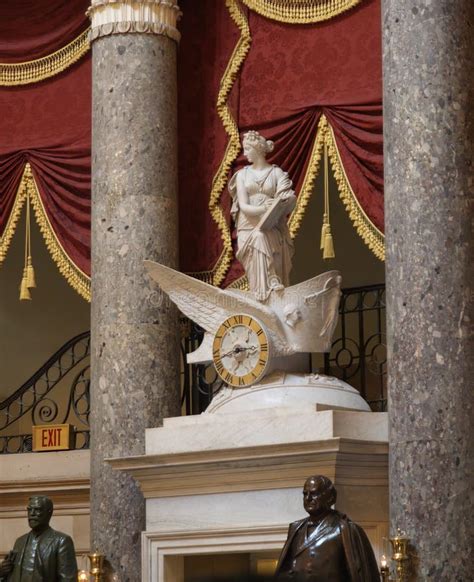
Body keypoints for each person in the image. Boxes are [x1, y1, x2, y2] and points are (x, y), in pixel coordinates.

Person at [229, 131, 296, 301]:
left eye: (247, 149)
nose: (244, 154)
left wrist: (283, 202)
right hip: (248, 227)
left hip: (271, 225)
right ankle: (263, 288)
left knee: (262, 236)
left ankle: (272, 283)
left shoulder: (276, 173)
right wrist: (263, 208)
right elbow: (243, 206)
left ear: (257, 150)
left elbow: (287, 198)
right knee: (258, 238)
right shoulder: (242, 175)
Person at [275, 475, 380, 581]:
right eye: (305, 494)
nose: (308, 498)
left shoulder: (347, 530)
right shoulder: (296, 529)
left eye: (314, 493)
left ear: (330, 497)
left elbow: (364, 574)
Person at [0, 495, 78, 582]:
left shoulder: (61, 541)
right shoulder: (20, 542)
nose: (32, 513)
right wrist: (3, 572)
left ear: (49, 512)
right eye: (29, 510)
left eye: (37, 510)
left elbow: (68, 579)